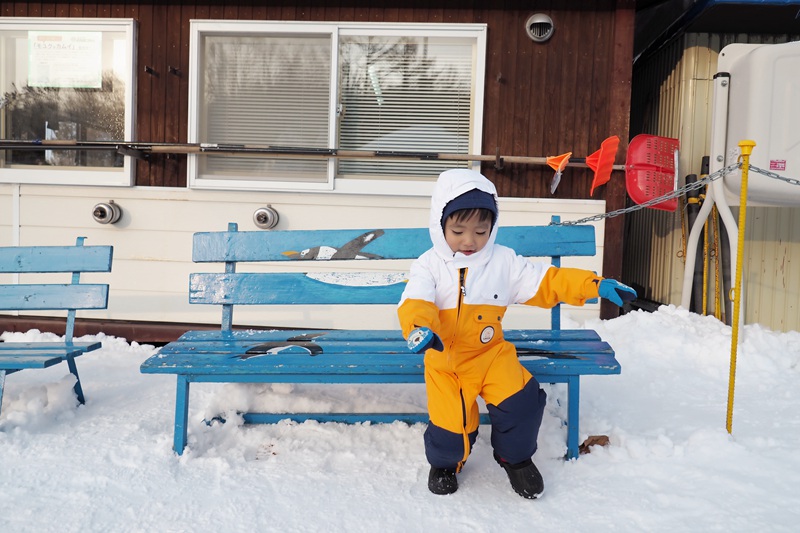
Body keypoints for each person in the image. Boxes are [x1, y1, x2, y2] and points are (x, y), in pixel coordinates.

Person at [397, 168, 636, 499]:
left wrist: (594, 285)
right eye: (458, 230)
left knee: (522, 402)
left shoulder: (503, 262)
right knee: (449, 430)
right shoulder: (429, 265)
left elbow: (547, 281)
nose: (470, 241)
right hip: (445, 359)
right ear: (440, 224)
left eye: (481, 230)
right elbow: (416, 300)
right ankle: (446, 463)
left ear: (492, 228)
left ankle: (516, 458)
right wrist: (418, 327)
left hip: (490, 355)